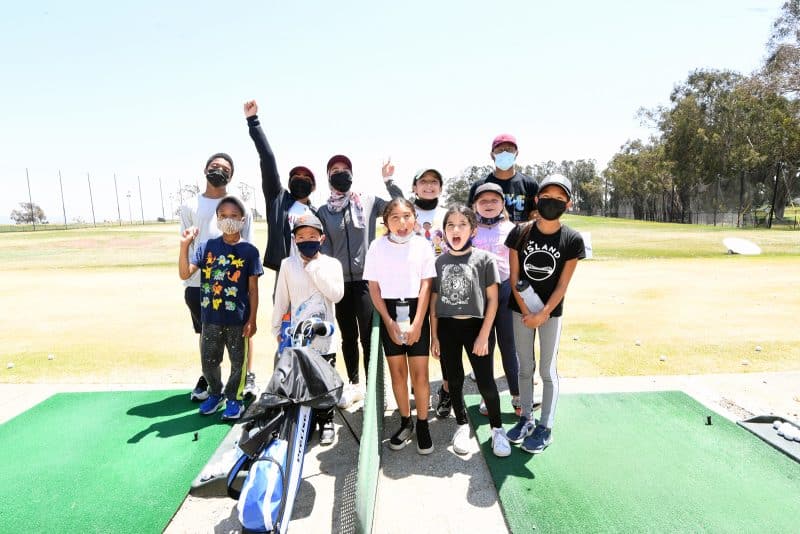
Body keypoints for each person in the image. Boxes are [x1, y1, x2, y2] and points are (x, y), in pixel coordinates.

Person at [505, 174, 585, 454]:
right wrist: (528, 311)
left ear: (569, 203)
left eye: (560, 199)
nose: (553, 203)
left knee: (547, 371)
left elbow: (563, 283)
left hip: (551, 313)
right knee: (524, 368)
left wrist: (543, 313)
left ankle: (545, 426)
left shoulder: (572, 239)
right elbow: (515, 277)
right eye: (547, 198)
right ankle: (526, 418)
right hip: (521, 311)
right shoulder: (520, 232)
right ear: (537, 200)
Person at [317, 155, 404, 407]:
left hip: (367, 281)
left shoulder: (367, 201)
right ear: (328, 176)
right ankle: (354, 385)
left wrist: (389, 180)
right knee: (348, 337)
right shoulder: (323, 211)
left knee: (369, 336)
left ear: (352, 174)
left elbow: (400, 207)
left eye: (345, 169)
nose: (341, 173)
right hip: (338, 283)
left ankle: (377, 388)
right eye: (335, 170)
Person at [430, 205, 511, 458]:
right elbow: (433, 302)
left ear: (473, 230)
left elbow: (493, 300)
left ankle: (497, 429)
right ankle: (462, 425)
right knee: (453, 380)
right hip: (447, 328)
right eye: (450, 225)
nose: (456, 229)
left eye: (462, 224)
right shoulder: (439, 262)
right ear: (444, 232)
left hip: (478, 328)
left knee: (486, 382)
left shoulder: (484, 259)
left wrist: (484, 335)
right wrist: (434, 336)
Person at [179, 153, 258, 402]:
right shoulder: (190, 205)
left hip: (234, 282)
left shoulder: (239, 204)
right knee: (206, 331)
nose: (219, 170)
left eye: (225, 168)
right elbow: (187, 243)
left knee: (242, 330)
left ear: (231, 176)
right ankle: (210, 378)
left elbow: (248, 245)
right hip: (199, 283)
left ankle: (247, 375)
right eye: (214, 166)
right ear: (205, 169)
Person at [363, 198, 436, 454]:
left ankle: (423, 424)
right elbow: (374, 287)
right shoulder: (376, 246)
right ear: (386, 222)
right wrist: (389, 321)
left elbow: (426, 285)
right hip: (389, 313)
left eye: (407, 216)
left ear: (415, 218)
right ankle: (406, 422)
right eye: (395, 217)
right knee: (398, 374)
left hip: (417, 311)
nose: (402, 223)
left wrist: (417, 324)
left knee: (420, 375)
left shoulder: (423, 245)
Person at [272, 213, 344, 445]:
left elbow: (336, 294)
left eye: (312, 235)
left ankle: (327, 421)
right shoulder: (287, 265)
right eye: (301, 236)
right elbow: (282, 300)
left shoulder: (331, 264)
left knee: (324, 381)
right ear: (294, 239)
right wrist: (277, 330)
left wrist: (313, 268)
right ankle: (306, 421)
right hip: (297, 337)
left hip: (326, 337)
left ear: (322, 238)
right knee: (301, 381)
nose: (307, 240)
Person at [243, 100, 316, 272]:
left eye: (306, 178)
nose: (300, 179)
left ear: (313, 187)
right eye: (296, 176)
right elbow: (267, 158)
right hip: (285, 272)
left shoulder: (317, 213)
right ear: (289, 182)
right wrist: (253, 121)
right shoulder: (278, 199)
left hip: (312, 273)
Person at [471, 183, 521, 416]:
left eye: (494, 201)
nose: (488, 205)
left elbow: (516, 267)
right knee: (484, 348)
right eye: (483, 201)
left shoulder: (512, 229)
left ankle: (518, 395)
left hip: (505, 294)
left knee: (509, 345)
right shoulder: (469, 229)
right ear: (474, 205)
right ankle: (486, 396)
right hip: (479, 296)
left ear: (502, 204)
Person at [467, 134, 539, 223]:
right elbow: (470, 216)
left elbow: (536, 214)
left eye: (509, 150)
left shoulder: (529, 184)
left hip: (520, 236)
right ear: (492, 155)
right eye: (500, 150)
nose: (505, 153)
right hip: (489, 235)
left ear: (516, 153)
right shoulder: (480, 186)